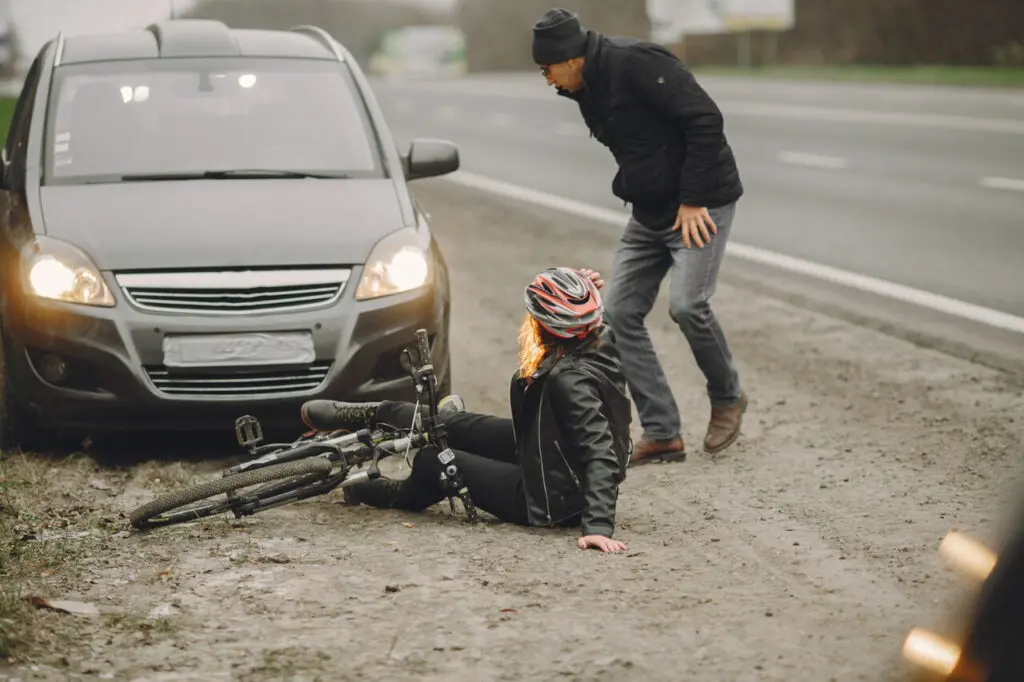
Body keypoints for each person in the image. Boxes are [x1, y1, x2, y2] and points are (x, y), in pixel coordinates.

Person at [531, 8, 748, 465]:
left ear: (570, 58)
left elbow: (705, 119)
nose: (547, 80)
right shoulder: (586, 88)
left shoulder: (637, 63)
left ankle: (727, 396)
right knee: (617, 312)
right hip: (650, 213)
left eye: (547, 69)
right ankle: (664, 432)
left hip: (698, 205)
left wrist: (692, 198)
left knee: (688, 305)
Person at [300, 267, 635, 553]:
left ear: (547, 326)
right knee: (449, 423)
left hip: (548, 496)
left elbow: (601, 451)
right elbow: (583, 317)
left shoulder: (570, 380)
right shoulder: (598, 336)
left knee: (435, 460)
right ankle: (371, 413)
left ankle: (387, 492)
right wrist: (575, 292)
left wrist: (598, 526)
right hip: (547, 449)